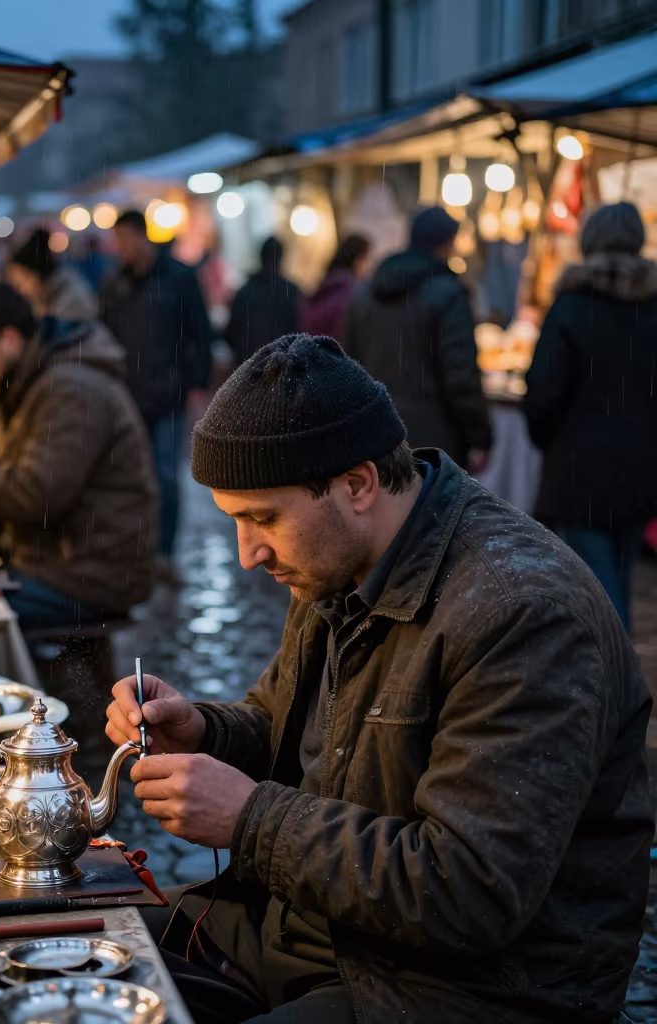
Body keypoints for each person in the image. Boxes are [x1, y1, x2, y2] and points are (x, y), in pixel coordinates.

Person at [105, 334, 652, 1024]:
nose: (249, 555)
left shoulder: (524, 612)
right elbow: (288, 731)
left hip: (458, 989)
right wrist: (203, 732)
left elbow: (470, 891)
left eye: (262, 519)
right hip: (311, 933)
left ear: (358, 484)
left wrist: (250, 819)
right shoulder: (334, 564)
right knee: (77, 962)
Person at [0, 282, 157, 630]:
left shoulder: (71, 389)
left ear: (10, 339)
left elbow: (37, 494)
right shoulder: (36, 378)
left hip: (89, 572)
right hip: (57, 558)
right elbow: (14, 460)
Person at [524, 201, 657, 632]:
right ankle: (620, 676)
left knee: (598, 584)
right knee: (617, 573)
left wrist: (549, 437)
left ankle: (616, 683)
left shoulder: (572, 305)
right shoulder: (652, 306)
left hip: (580, 468)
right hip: (642, 465)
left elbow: (543, 390)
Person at [101, 210, 213, 578]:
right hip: (129, 396)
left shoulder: (179, 278)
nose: (119, 249)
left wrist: (191, 381)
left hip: (167, 395)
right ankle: (140, 549)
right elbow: (107, 335)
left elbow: (199, 331)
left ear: (140, 236)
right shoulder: (116, 283)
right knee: (135, 476)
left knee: (166, 475)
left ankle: (163, 553)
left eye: (123, 240)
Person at [342, 207, 491, 471]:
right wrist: (479, 436)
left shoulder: (366, 294)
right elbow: (461, 375)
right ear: (447, 244)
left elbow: (348, 367)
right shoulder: (449, 294)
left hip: (377, 437)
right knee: (435, 512)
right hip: (435, 441)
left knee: (385, 511)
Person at [224, 237, 300, 365]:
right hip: (283, 369)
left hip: (249, 369)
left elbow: (232, 334)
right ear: (281, 259)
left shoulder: (245, 292)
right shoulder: (291, 292)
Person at [6, 227, 98, 321]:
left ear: (39, 274)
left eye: (22, 281)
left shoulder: (70, 300)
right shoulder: (43, 298)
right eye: (15, 283)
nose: (20, 289)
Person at [299, 233, 371, 340]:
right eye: (368, 259)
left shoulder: (326, 285)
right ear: (357, 260)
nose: (370, 265)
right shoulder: (354, 292)